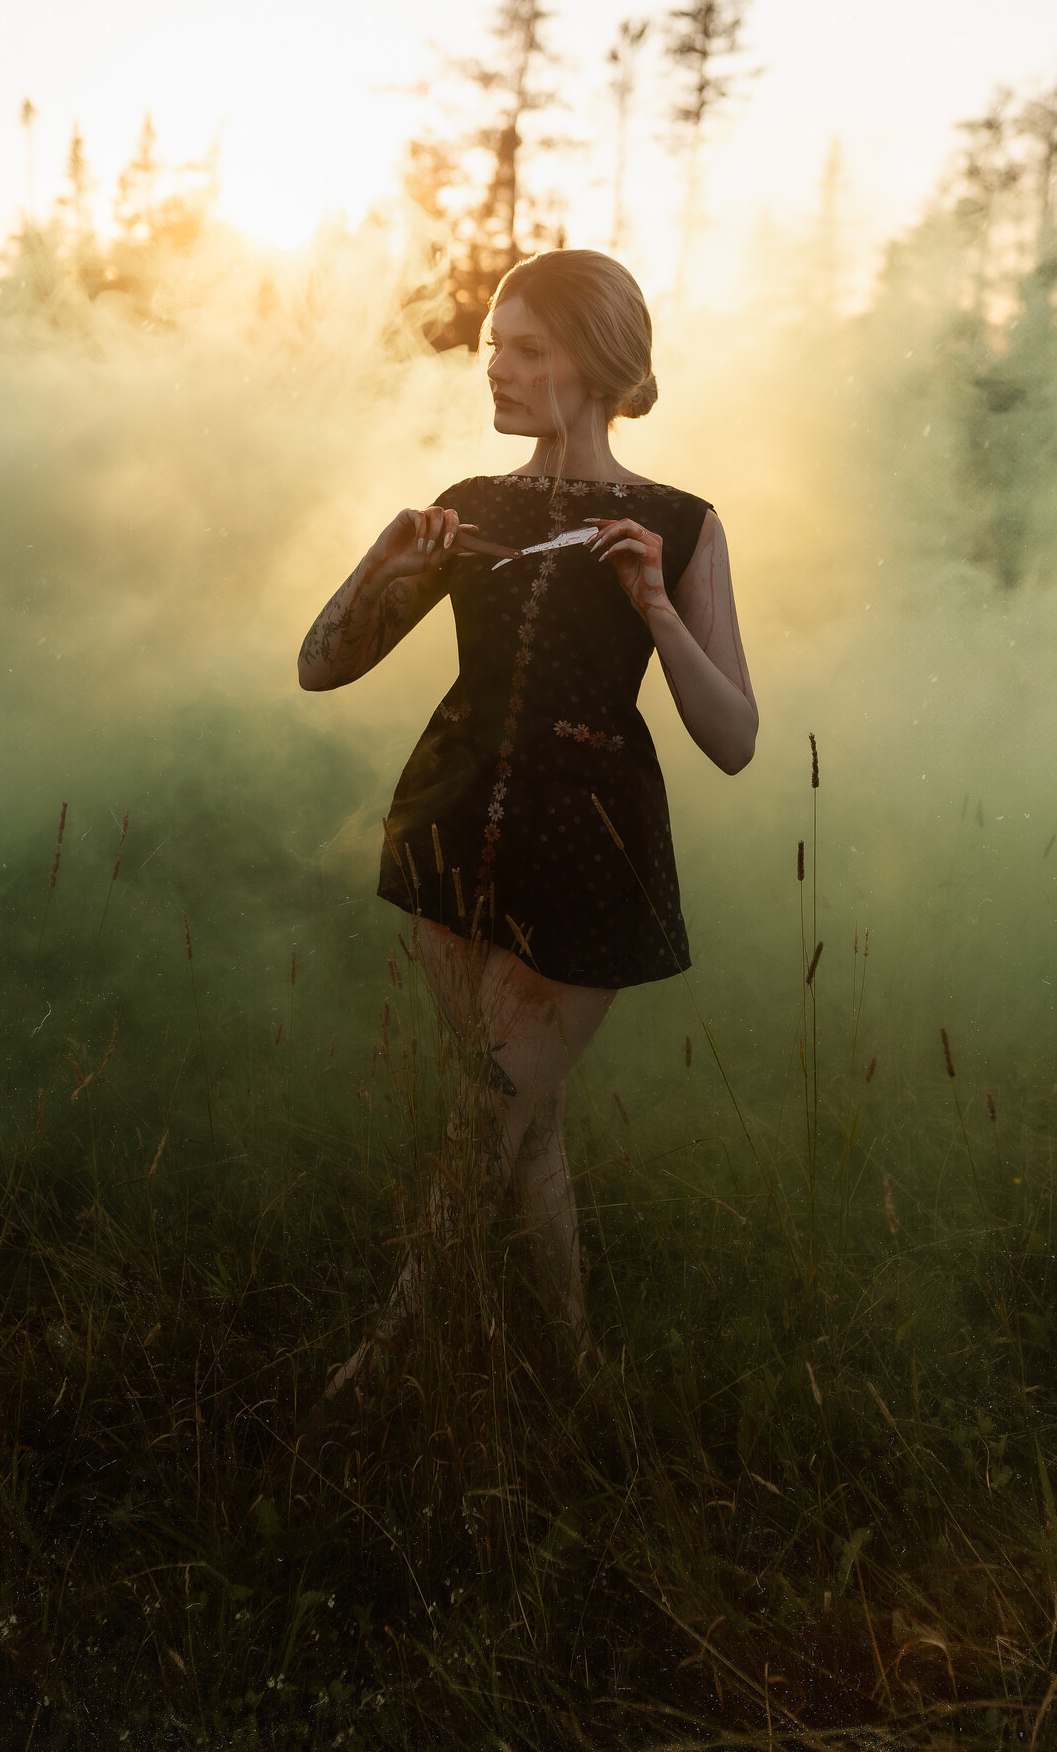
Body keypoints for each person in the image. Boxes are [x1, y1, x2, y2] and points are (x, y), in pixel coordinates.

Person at [298, 249, 757, 1398]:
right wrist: (380, 565)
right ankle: (574, 1357)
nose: (493, 367)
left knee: (492, 1107)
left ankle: (387, 1350)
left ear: (594, 364)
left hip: (590, 855)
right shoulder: (469, 506)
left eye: (526, 348)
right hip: (446, 835)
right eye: (492, 345)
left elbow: (735, 738)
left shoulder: (679, 524)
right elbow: (321, 665)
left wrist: (655, 608)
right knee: (523, 1114)